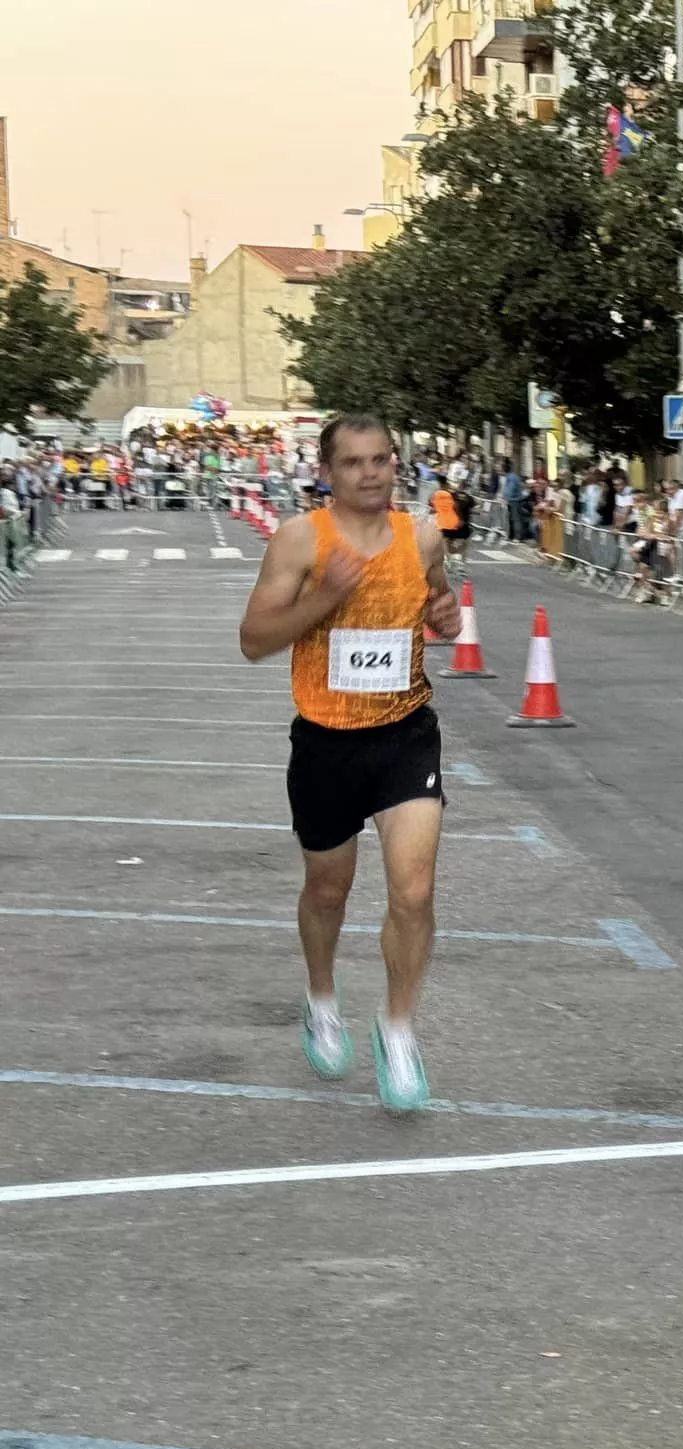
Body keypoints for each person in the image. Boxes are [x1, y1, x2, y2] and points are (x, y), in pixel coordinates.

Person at [236, 414, 461, 1112]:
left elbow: (438, 598)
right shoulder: (301, 540)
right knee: (328, 892)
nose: (370, 473)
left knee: (414, 892)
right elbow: (253, 640)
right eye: (354, 462)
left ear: (396, 464)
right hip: (327, 742)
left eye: (381, 460)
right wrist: (327, 596)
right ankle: (322, 998)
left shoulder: (419, 534)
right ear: (327, 472)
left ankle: (397, 1030)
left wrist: (445, 617)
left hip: (404, 735)